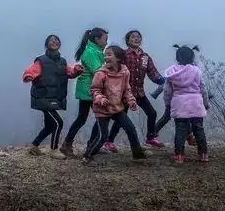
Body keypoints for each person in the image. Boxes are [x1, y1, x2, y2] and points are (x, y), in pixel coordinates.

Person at [22, 34, 84, 159]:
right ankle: (54, 150)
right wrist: (28, 76)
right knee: (58, 123)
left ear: (59, 44)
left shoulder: (62, 61)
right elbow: (31, 71)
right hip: (43, 97)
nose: (54, 42)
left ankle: (34, 146)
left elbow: (69, 73)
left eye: (56, 40)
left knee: (50, 125)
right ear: (47, 45)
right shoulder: (41, 60)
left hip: (54, 98)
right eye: (51, 40)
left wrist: (77, 70)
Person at [82, 45, 146, 164]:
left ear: (118, 58)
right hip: (102, 110)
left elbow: (126, 89)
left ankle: (138, 155)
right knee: (103, 137)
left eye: (109, 54)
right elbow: (95, 90)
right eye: (105, 54)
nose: (106, 57)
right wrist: (101, 99)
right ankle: (87, 157)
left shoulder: (125, 72)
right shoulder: (100, 73)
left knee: (131, 129)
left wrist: (131, 101)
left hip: (117, 108)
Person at [104, 30, 165, 152]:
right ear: (127, 40)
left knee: (152, 113)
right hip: (125, 93)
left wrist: (164, 80)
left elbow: (153, 73)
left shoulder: (145, 57)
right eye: (133, 37)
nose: (136, 39)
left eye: (138, 37)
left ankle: (150, 138)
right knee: (122, 118)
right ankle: (109, 141)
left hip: (139, 92)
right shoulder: (124, 55)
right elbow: (114, 69)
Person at [59, 28, 108, 157]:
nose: (106, 42)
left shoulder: (95, 50)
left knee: (82, 118)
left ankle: (69, 144)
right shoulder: (91, 52)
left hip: (88, 89)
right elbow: (98, 70)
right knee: (101, 117)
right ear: (97, 39)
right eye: (105, 39)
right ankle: (91, 145)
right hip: (90, 90)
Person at [163, 45, 210, 163]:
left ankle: (179, 156)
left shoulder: (172, 72)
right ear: (192, 57)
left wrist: (168, 104)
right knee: (199, 130)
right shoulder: (196, 71)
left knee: (180, 130)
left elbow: (167, 91)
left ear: (177, 57)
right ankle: (203, 154)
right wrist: (206, 103)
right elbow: (203, 88)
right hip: (196, 104)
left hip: (179, 104)